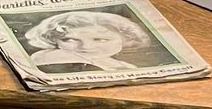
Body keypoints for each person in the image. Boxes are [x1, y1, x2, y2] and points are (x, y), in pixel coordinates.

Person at [20, 8, 168, 76]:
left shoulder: (122, 65)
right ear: (54, 40)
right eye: (69, 39)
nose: (86, 47)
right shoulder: (50, 58)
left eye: (101, 39)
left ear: (126, 39)